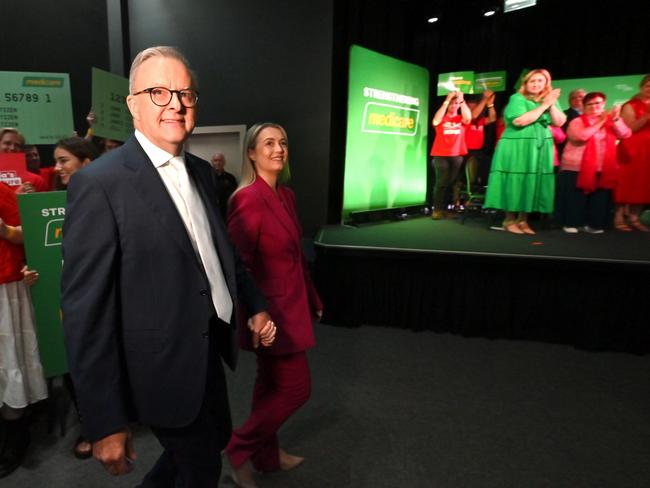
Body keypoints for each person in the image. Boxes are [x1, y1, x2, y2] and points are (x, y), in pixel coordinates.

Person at [61, 46, 276, 487]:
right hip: (158, 365)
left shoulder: (201, 172)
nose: (175, 104)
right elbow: (87, 314)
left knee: (212, 439)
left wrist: (253, 303)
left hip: (207, 346)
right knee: (201, 468)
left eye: (185, 93)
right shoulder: (98, 184)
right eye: (158, 92)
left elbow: (219, 252)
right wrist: (104, 421)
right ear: (132, 104)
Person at [224, 123, 323, 488]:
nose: (278, 148)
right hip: (270, 314)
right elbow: (239, 266)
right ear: (251, 153)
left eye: (283, 142)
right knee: (297, 390)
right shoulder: (247, 198)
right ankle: (238, 448)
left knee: (269, 385)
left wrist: (313, 298)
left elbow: (296, 256)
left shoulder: (286, 196)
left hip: (293, 306)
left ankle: (266, 457)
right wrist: (253, 315)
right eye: (268, 143)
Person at [0, 182, 48, 478]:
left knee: (9, 361)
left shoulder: (3, 191)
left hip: (4, 288)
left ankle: (16, 436)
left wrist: (4, 231)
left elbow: (30, 234)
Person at [484, 69, 566, 234]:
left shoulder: (549, 100)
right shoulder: (517, 98)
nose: (536, 84)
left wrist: (550, 104)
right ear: (526, 83)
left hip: (539, 146)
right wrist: (544, 105)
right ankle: (509, 220)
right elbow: (520, 120)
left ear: (546, 83)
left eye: (540, 81)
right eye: (532, 81)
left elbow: (559, 122)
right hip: (517, 145)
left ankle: (523, 220)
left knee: (532, 180)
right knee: (515, 179)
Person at [556, 92, 631, 233]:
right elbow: (580, 136)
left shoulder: (612, 121)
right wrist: (601, 121)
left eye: (598, 103)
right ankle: (571, 222)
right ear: (584, 107)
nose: (594, 106)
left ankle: (593, 224)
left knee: (599, 198)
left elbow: (625, 134)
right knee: (576, 198)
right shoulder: (576, 121)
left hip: (603, 166)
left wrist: (615, 119)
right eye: (590, 104)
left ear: (603, 105)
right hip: (576, 167)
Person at [613, 74, 650, 231]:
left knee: (643, 184)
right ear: (641, 87)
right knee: (626, 183)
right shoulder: (630, 105)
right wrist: (648, 115)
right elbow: (630, 129)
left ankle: (635, 218)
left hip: (647, 150)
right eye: (648, 85)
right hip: (632, 149)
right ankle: (618, 217)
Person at [429, 91, 472, 219]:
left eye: (456, 103)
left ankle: (445, 209)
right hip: (441, 155)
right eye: (452, 104)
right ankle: (436, 210)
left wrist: (462, 100)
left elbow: (468, 117)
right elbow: (435, 121)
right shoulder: (442, 118)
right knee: (441, 182)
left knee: (451, 183)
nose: (454, 106)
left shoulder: (461, 119)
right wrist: (447, 100)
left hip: (457, 155)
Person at [0, 129, 47, 193]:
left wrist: (34, 197)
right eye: (7, 143)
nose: (12, 148)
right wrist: (15, 196)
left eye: (17, 145)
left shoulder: (36, 181)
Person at [210, 152, 238, 218]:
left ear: (224, 162)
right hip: (212, 212)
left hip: (227, 212)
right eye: (215, 160)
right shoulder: (206, 177)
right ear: (212, 162)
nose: (218, 163)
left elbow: (235, 195)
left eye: (220, 160)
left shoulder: (230, 178)